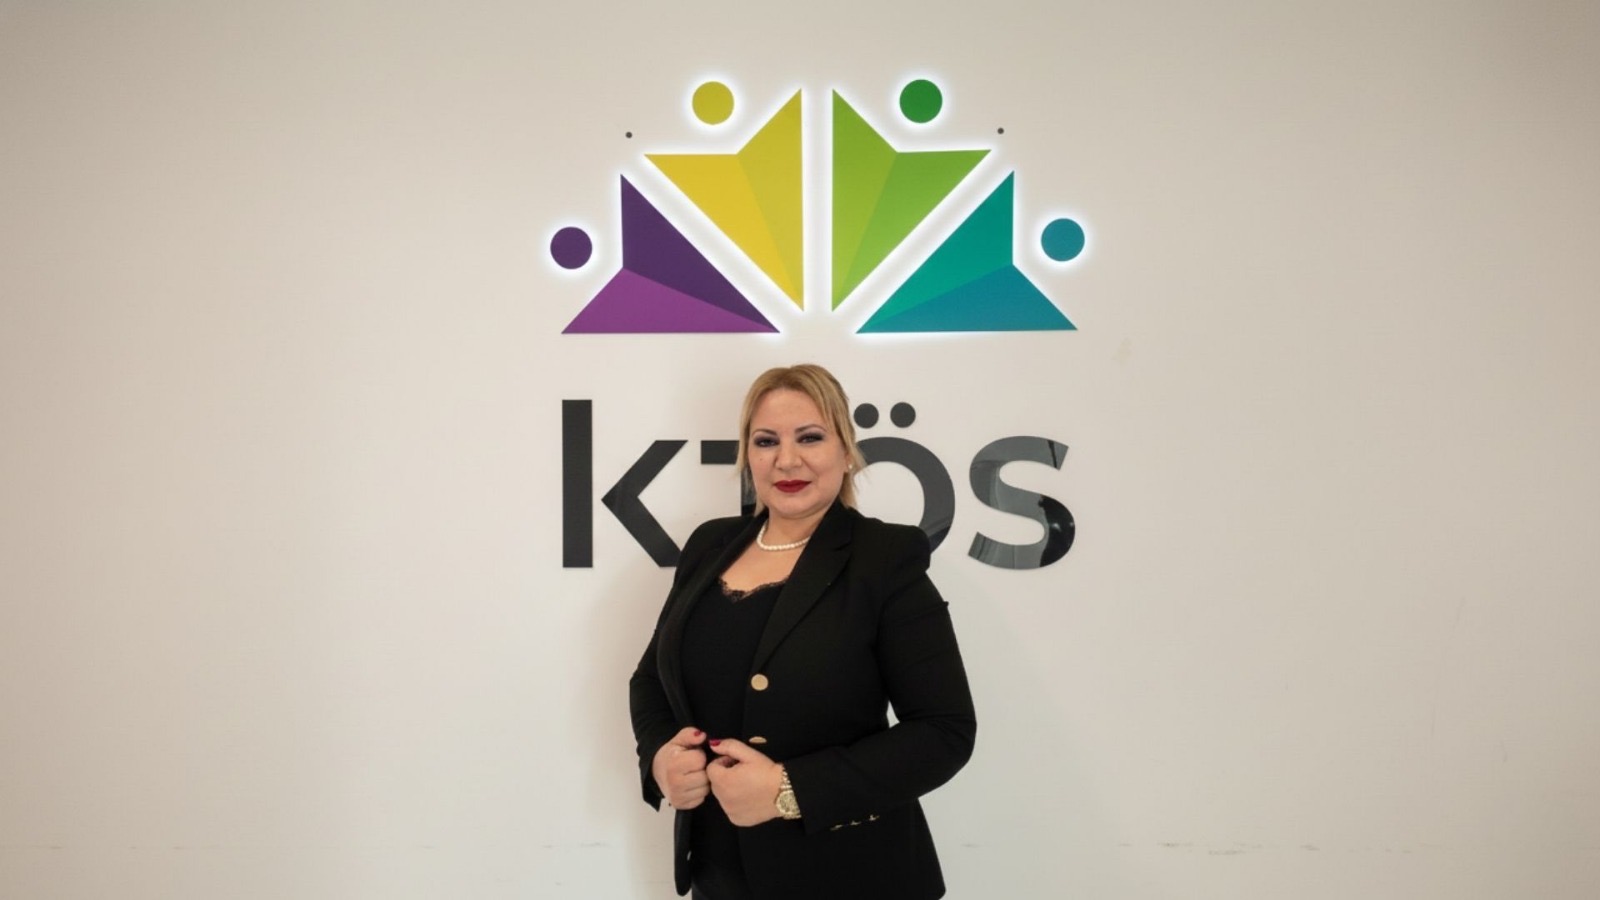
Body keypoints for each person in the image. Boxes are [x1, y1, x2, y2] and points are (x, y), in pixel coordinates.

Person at [629, 364, 977, 899]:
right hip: (719, 876)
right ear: (748, 454)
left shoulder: (884, 557)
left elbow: (944, 731)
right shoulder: (708, 545)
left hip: (852, 877)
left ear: (846, 450)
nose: (786, 460)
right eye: (766, 441)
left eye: (810, 437)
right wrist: (660, 758)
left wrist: (787, 790)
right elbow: (651, 679)